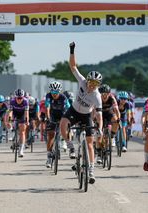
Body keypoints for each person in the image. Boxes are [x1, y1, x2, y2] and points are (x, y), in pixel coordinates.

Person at [60, 42, 103, 184]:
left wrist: (100, 129)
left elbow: (99, 115)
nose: (91, 85)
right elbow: (73, 66)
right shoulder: (82, 81)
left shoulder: (97, 96)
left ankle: (91, 169)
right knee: (63, 123)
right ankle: (70, 145)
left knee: (90, 143)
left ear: (98, 85)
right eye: (91, 82)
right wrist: (72, 50)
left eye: (95, 84)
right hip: (73, 110)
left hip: (85, 115)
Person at [45, 81, 70, 168]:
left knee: (65, 130)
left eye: (56, 92)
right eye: (53, 92)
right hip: (52, 115)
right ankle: (49, 156)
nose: (54, 94)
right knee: (51, 135)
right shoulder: (48, 96)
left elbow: (68, 109)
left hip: (62, 114)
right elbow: (47, 107)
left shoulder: (63, 97)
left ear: (59, 91)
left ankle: (65, 143)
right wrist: (48, 118)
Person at [95, 84, 120, 164]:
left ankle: (112, 136)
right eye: (102, 94)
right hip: (99, 113)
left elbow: (116, 109)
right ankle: (99, 154)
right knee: (99, 136)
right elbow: (92, 110)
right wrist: (93, 119)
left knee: (116, 120)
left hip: (108, 112)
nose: (104, 95)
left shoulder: (112, 98)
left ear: (109, 93)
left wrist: (119, 118)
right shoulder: (97, 98)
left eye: (106, 94)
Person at [6, 89, 29, 158]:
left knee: (22, 131)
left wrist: (26, 121)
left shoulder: (25, 101)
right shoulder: (12, 101)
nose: (19, 100)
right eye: (17, 98)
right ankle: (12, 132)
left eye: (20, 98)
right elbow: (10, 112)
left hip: (22, 114)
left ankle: (21, 150)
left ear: (23, 97)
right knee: (8, 121)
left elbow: (26, 113)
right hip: (15, 113)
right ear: (15, 97)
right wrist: (9, 120)